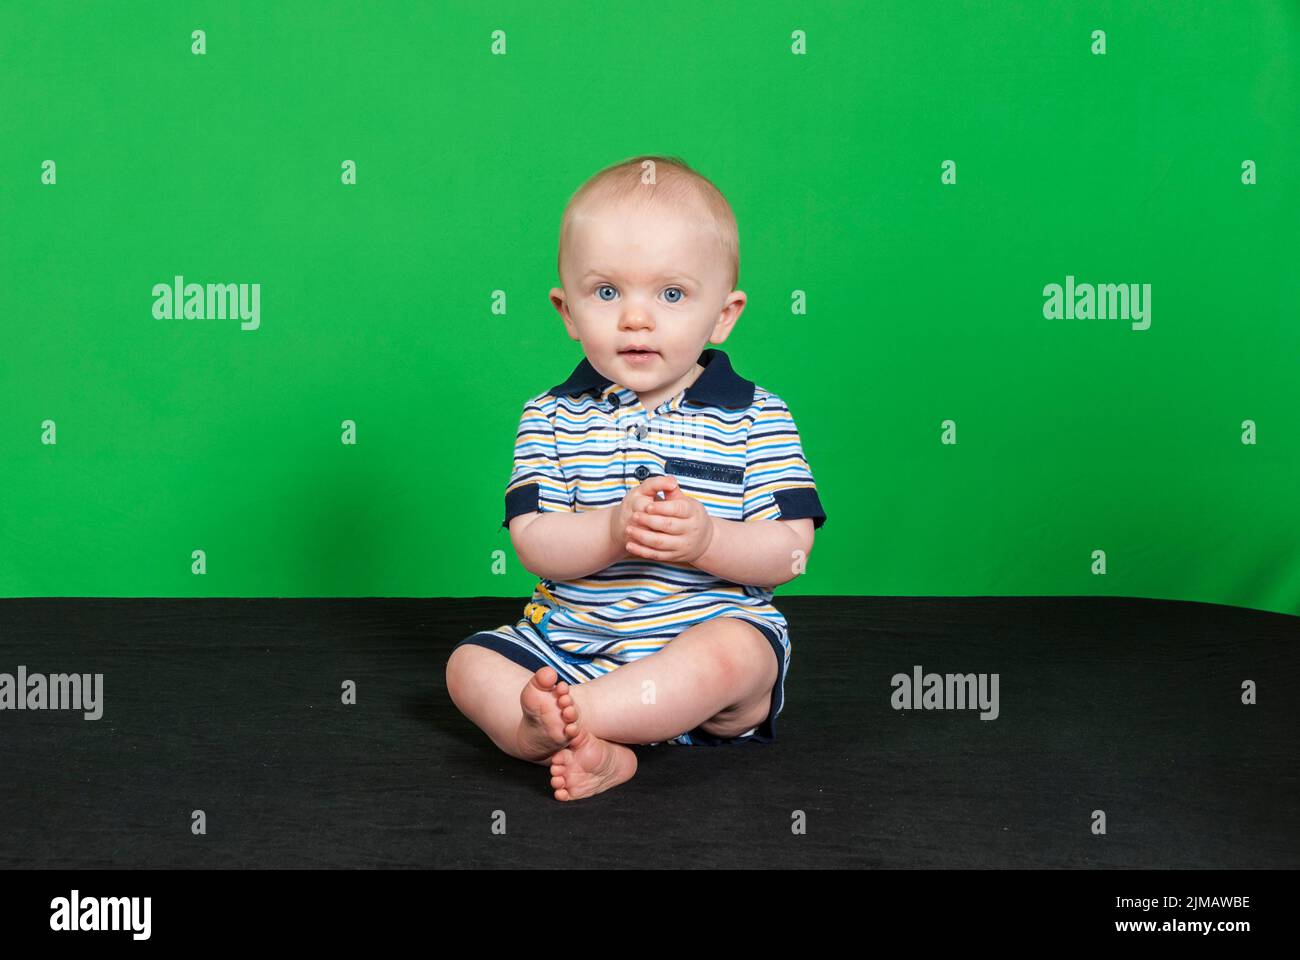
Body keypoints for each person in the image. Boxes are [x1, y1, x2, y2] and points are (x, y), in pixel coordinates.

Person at [446, 155, 827, 801]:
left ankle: (560, 726)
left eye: (671, 294)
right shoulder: (550, 416)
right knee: (468, 665)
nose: (636, 319)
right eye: (606, 293)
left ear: (724, 313)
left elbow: (790, 551)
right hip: (574, 646)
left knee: (734, 654)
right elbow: (534, 543)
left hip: (705, 652)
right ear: (567, 310)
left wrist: (708, 540)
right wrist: (612, 530)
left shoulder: (756, 415)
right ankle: (589, 744)